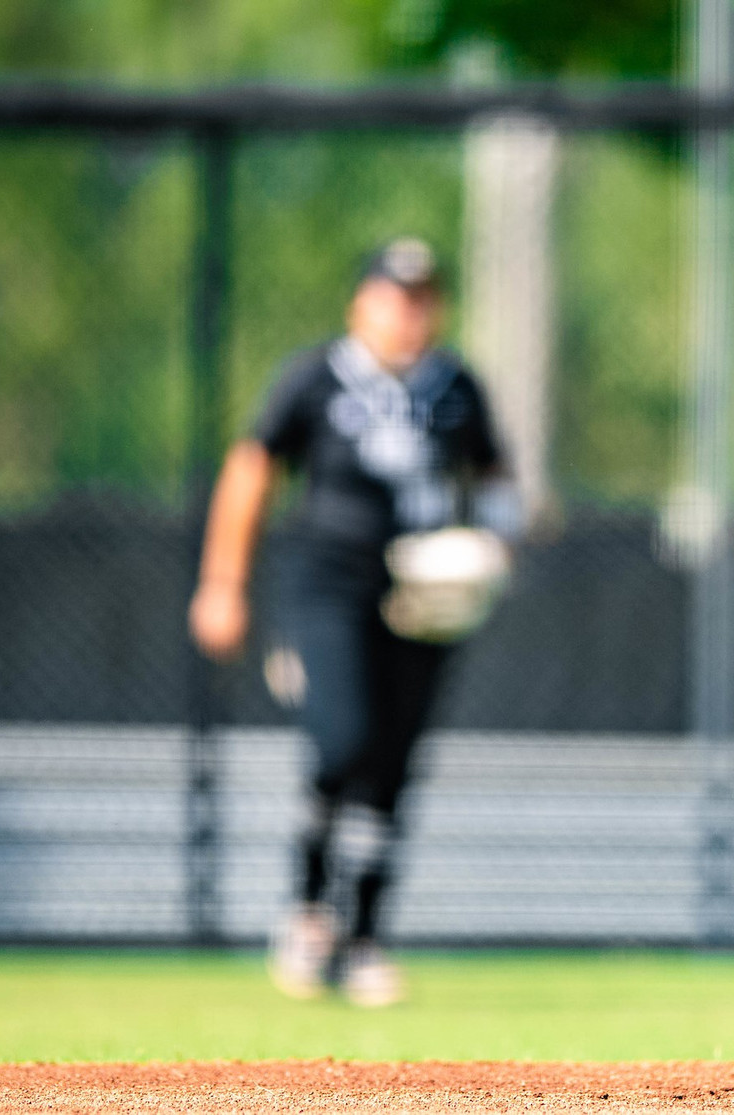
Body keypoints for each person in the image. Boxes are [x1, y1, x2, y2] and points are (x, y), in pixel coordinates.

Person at [189, 238, 518, 1006]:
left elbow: (496, 474)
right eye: (396, 296)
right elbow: (252, 468)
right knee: (342, 742)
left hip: (425, 597)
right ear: (360, 303)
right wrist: (222, 582)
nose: (412, 313)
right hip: (331, 586)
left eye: (424, 297)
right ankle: (309, 912)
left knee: (392, 766)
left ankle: (364, 938)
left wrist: (495, 542)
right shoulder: (317, 377)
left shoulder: (453, 385)